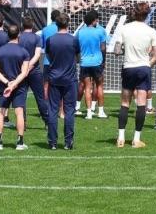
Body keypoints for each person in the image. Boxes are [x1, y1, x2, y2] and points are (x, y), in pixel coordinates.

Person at [115, 2, 156, 147]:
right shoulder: (151, 31)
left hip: (128, 67)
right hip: (143, 68)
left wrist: (125, 51)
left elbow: (116, 50)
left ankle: (120, 138)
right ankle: (136, 139)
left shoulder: (124, 28)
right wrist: (148, 64)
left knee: (125, 103)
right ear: (147, 14)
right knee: (141, 104)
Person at [0, 25, 30, 151]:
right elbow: (24, 73)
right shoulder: (24, 51)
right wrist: (13, 84)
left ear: (7, 35)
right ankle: (19, 142)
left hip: (5, 86)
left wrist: (8, 83)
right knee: (19, 112)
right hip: (18, 86)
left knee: (1, 112)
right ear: (18, 35)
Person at [45, 13, 79, 150]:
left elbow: (48, 55)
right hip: (70, 79)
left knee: (53, 110)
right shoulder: (73, 40)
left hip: (54, 77)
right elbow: (77, 56)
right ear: (68, 23)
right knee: (69, 110)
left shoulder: (50, 40)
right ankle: (68, 142)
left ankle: (52, 142)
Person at [19, 17, 52, 135]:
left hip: (21, 71)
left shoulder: (18, 38)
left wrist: (24, 67)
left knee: (21, 97)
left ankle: (22, 122)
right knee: (40, 98)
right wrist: (30, 65)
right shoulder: (37, 38)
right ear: (32, 25)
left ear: (23, 26)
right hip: (34, 71)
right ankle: (48, 122)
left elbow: (18, 55)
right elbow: (37, 55)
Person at [77, 10, 108, 120]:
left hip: (85, 63)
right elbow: (103, 48)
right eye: (96, 20)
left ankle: (89, 113)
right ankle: (100, 111)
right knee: (99, 85)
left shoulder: (80, 32)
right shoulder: (99, 32)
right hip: (97, 62)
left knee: (87, 87)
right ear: (93, 21)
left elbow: (77, 48)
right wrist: (103, 61)